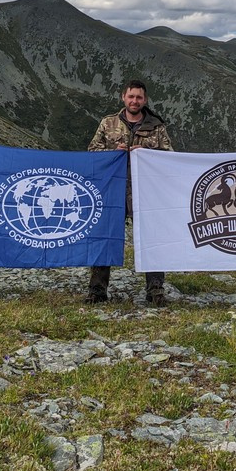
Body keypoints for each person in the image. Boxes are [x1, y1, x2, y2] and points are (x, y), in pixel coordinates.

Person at [87, 79, 174, 306]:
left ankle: (155, 290)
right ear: (123, 98)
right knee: (105, 237)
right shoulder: (108, 123)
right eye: (131, 96)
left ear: (145, 100)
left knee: (151, 238)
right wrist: (110, 152)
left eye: (139, 97)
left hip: (145, 191)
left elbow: (170, 156)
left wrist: (147, 152)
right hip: (112, 190)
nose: (134, 101)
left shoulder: (156, 126)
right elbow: (91, 152)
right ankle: (97, 290)